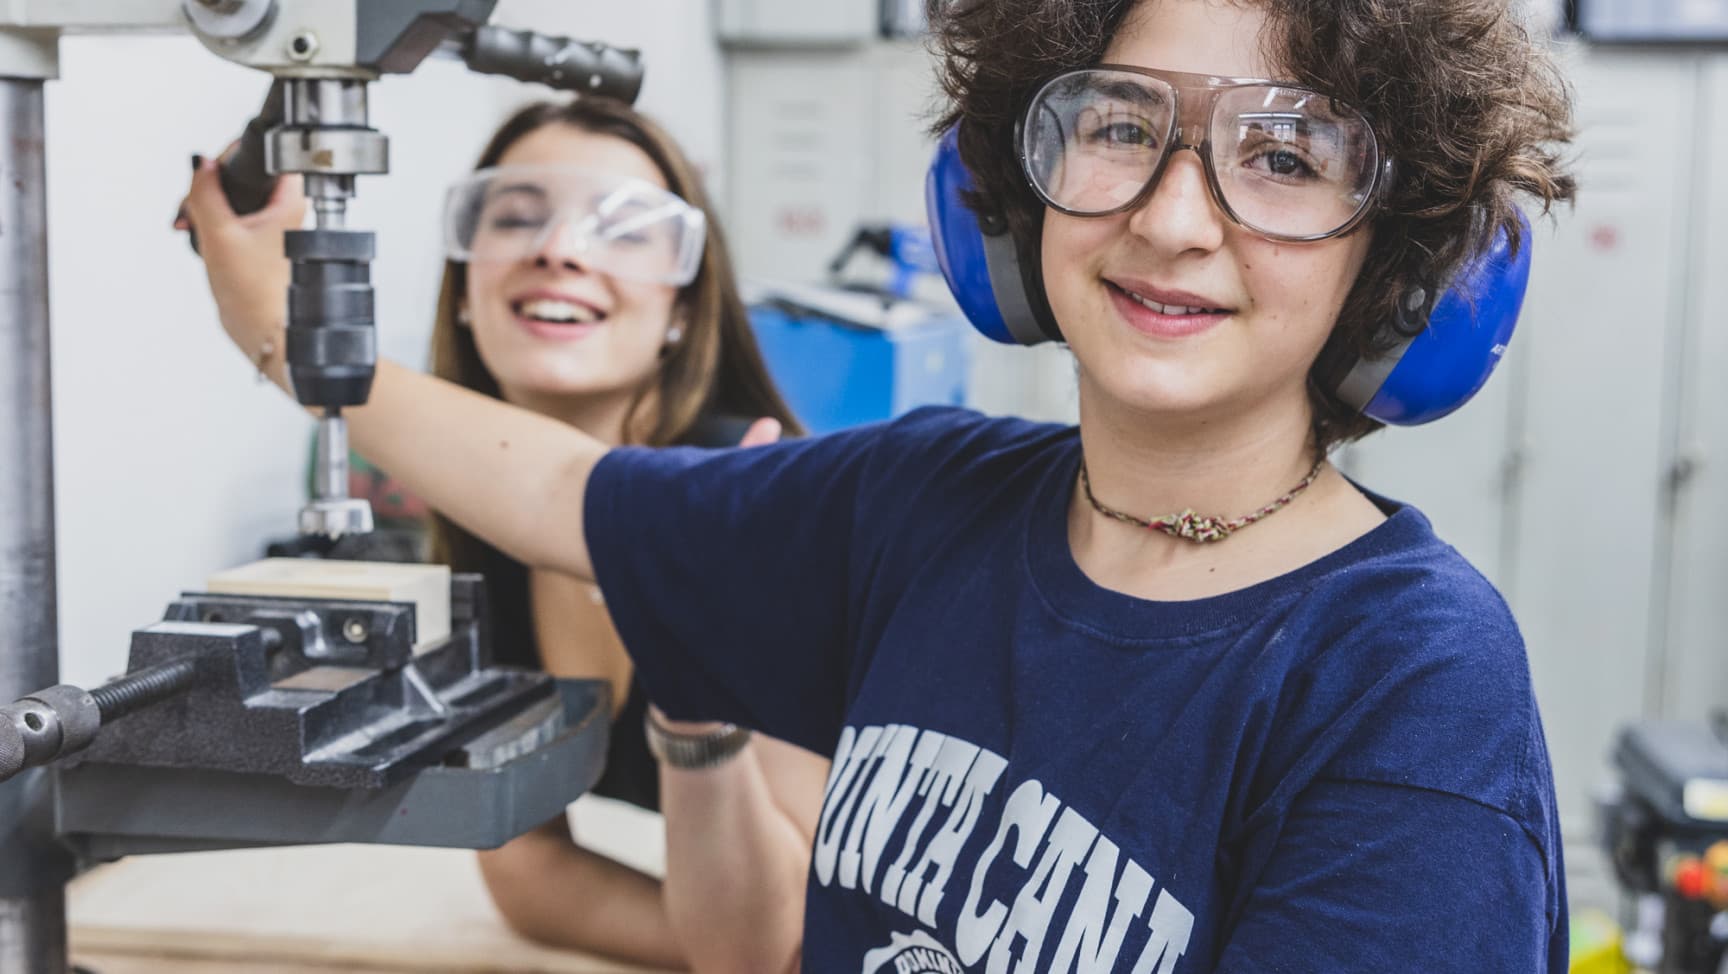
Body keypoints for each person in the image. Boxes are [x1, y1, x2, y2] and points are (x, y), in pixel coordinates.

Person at [188, 0, 1578, 969]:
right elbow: (564, 491)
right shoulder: (921, 503)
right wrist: (290, 340)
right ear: (1014, 202)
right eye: (1118, 127)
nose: (1169, 216)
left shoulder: (1410, 680)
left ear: (1395, 265)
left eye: (1282, 156)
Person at [181, 97, 831, 971]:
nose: (559, 248)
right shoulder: (480, 535)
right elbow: (531, 881)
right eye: (518, 215)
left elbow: (779, 947)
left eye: (625, 229)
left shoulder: (754, 506)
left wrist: (275, 326)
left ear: (683, 306)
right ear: (463, 295)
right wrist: (715, 926)